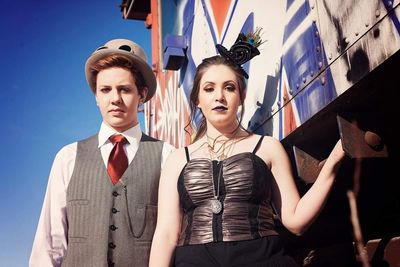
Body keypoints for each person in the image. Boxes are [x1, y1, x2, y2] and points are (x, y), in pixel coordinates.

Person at [149, 31, 346, 266]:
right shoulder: (177, 159)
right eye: (209, 88)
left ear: (241, 97)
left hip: (261, 259)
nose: (219, 96)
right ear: (197, 100)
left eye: (229, 88)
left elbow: (295, 221)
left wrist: (335, 159)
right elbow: (166, 233)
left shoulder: (268, 147)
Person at [30, 39, 174, 267]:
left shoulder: (167, 156)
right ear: (96, 97)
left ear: (142, 95)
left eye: (124, 89)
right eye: (105, 90)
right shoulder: (68, 157)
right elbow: (50, 244)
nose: (115, 99)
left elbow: (173, 236)